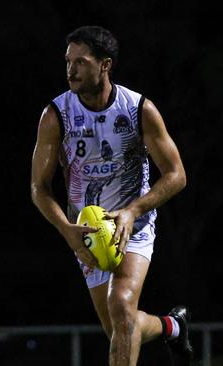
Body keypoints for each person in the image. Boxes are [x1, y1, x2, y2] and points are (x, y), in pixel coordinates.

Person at [30, 25, 192, 365]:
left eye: (81, 62)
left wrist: (133, 212)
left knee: (121, 308)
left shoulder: (138, 109)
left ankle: (168, 327)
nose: (70, 70)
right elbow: (39, 189)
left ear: (105, 65)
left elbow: (176, 175)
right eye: (68, 61)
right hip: (86, 232)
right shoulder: (56, 115)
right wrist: (68, 231)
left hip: (134, 222)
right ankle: (171, 327)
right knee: (121, 328)